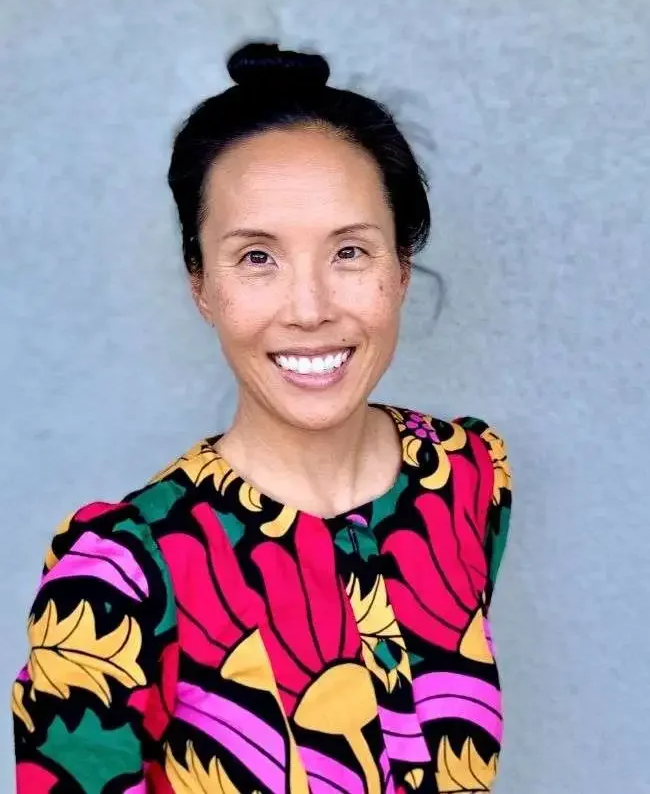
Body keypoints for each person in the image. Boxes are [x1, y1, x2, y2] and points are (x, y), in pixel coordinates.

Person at [12, 41, 513, 794]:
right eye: (256, 258)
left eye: (350, 251)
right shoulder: (113, 584)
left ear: (401, 270)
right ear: (201, 284)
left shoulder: (469, 475)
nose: (310, 309)